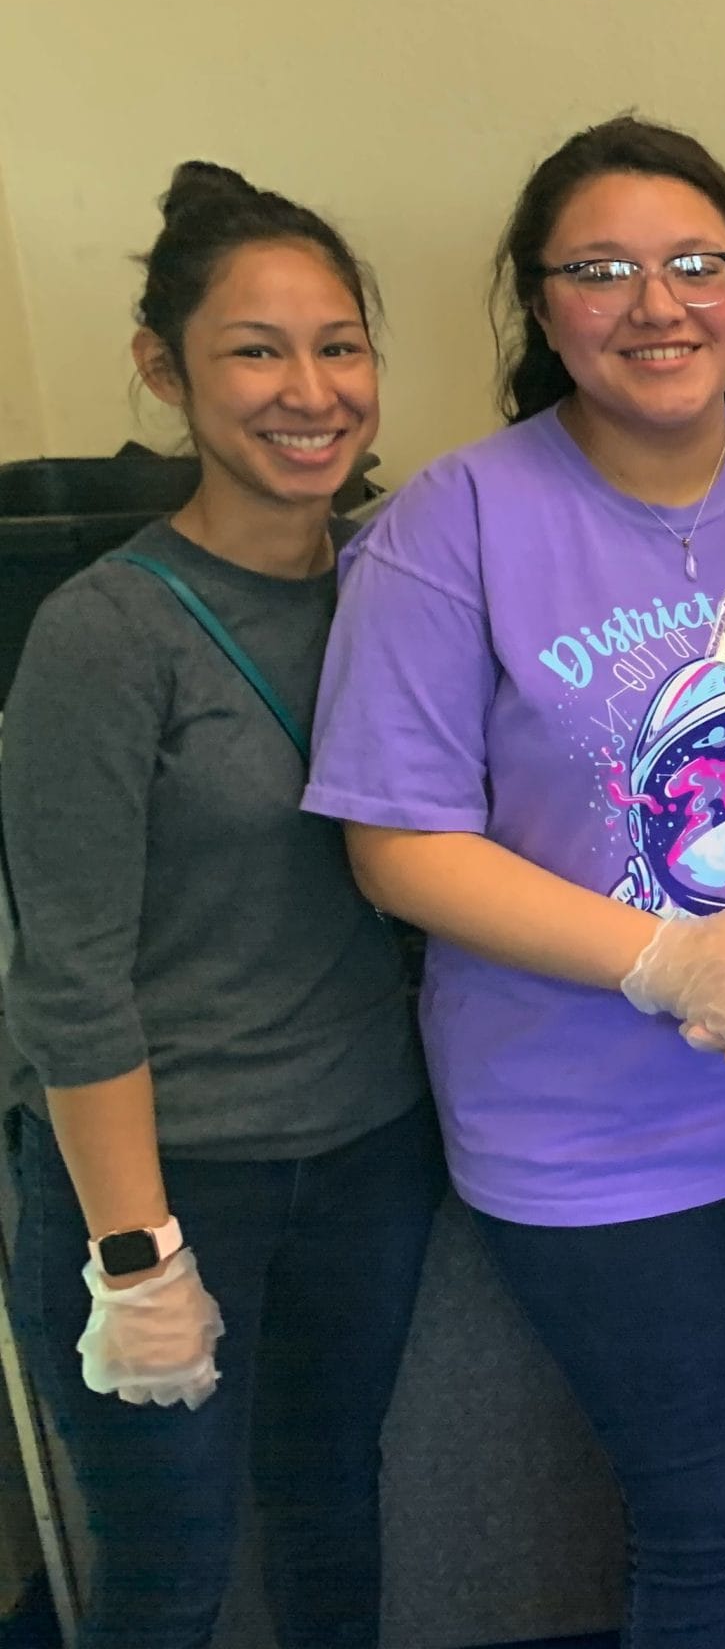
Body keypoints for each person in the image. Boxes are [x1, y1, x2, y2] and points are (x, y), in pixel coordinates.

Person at [302, 116, 725, 1649]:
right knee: (711, 1522)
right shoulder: (451, 526)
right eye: (602, 270)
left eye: (697, 262)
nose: (658, 304)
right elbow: (396, 842)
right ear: (540, 301)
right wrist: (663, 961)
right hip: (588, 1137)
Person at [0, 162, 441, 1648]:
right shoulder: (106, 632)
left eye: (340, 346)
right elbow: (68, 977)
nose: (310, 392)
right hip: (171, 1174)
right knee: (169, 1575)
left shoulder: (398, 586)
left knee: (332, 1514)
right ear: (164, 368)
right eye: (256, 350)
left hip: (368, 1152)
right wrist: (136, 1259)